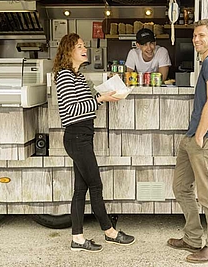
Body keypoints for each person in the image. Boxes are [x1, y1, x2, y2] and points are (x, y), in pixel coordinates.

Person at [53, 33, 135, 252]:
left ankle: (77, 239)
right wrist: (100, 99)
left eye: (84, 45)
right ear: (68, 50)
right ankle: (110, 232)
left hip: (84, 136)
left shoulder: (78, 76)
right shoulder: (64, 76)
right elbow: (71, 111)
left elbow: (85, 105)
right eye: (79, 46)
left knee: (80, 190)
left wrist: (102, 96)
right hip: (76, 137)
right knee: (95, 186)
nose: (85, 48)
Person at [167, 19, 208, 264]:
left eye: (202, 35)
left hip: (205, 138)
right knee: (181, 187)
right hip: (193, 136)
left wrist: (201, 135)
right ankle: (192, 237)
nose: (196, 39)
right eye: (194, 36)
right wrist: (193, 135)